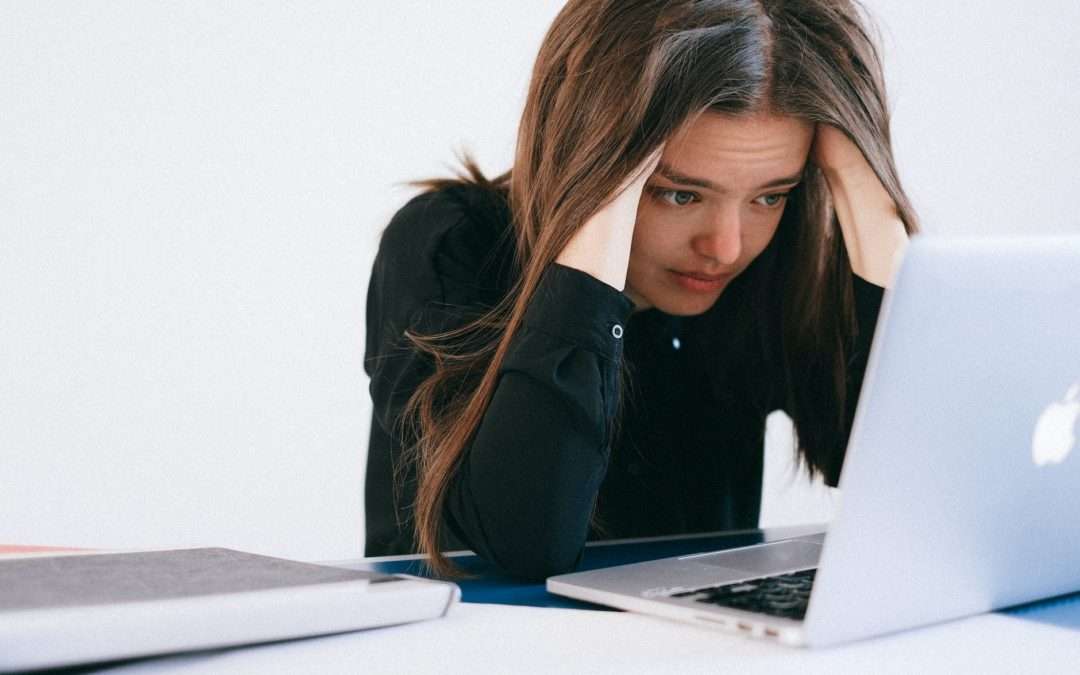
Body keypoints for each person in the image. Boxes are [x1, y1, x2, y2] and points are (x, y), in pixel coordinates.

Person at [364, 0, 918, 580]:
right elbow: (527, 540)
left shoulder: (768, 267)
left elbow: (915, 492)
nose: (726, 247)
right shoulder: (449, 243)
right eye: (679, 194)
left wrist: (867, 194)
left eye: (769, 195)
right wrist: (596, 210)